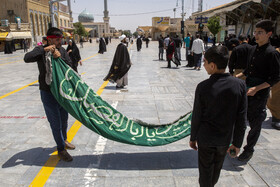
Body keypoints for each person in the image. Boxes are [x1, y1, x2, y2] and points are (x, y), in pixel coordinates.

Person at [190, 46, 247, 187]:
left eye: (204, 62)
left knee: (205, 171)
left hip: (206, 139)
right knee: (216, 169)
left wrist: (193, 138)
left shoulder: (203, 87)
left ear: (212, 65)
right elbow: (241, 118)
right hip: (224, 139)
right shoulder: (239, 85)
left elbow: (197, 115)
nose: (203, 65)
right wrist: (237, 143)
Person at [24, 27, 75, 162]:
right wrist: (44, 49)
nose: (60, 42)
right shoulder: (40, 50)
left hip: (62, 92)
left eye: (61, 39)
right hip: (48, 92)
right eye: (57, 40)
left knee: (64, 119)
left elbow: (71, 67)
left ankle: (64, 140)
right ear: (50, 39)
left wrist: (60, 59)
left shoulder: (62, 51)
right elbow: (27, 58)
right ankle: (61, 149)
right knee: (55, 122)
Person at [235, 20, 280, 162]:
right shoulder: (253, 49)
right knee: (240, 119)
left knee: (255, 123)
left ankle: (249, 150)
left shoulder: (272, 53)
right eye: (255, 32)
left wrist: (257, 89)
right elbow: (248, 71)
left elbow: (275, 78)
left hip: (259, 94)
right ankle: (235, 145)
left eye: (260, 32)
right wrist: (237, 78)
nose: (256, 35)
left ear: (269, 34)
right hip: (247, 91)